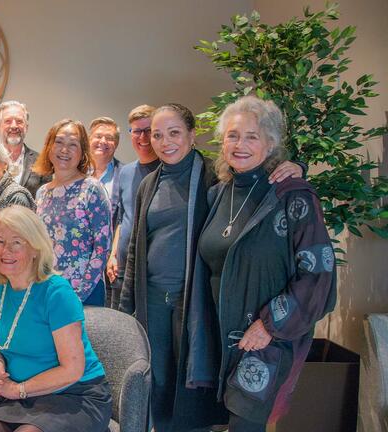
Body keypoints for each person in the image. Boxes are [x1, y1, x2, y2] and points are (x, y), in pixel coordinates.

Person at [118, 103, 303, 431]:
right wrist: (125, 309)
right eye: (157, 135)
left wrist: (295, 166)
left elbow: (257, 178)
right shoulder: (148, 184)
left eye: (174, 133)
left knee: (191, 383)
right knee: (157, 381)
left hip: (193, 300)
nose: (165, 141)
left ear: (192, 135)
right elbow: (134, 250)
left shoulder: (211, 176)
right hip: (153, 301)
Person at [194, 96, 336, 431]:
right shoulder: (219, 193)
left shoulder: (292, 194)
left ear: (270, 144)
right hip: (217, 334)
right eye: (232, 136)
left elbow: (319, 273)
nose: (239, 145)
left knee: (246, 425)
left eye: (251, 136)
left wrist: (269, 325)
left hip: (265, 339)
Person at [0, 205, 112, 432]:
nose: (5, 250)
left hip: (75, 393)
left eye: (16, 242)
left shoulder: (56, 292)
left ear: (35, 249)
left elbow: (73, 369)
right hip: (25, 394)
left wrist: (17, 389)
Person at [32, 119, 111, 306]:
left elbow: (102, 248)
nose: (64, 150)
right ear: (49, 147)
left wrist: (77, 295)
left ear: (83, 152)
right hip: (48, 290)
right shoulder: (42, 192)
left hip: (84, 294)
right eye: (58, 142)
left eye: (73, 144)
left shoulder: (92, 189)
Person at [105, 105, 158, 310]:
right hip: (121, 269)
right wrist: (113, 254)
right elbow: (123, 217)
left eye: (149, 131)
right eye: (137, 131)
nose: (143, 137)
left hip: (150, 272)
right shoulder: (126, 172)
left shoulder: (165, 170)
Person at [0, 101, 51, 197]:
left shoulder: (41, 161)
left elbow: (45, 199)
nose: (14, 126)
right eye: (8, 121)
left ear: (26, 127)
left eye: (19, 121)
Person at [87, 116, 124, 200]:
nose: (103, 141)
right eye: (98, 136)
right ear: (89, 140)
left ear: (116, 143)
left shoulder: (125, 174)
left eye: (109, 138)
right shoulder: (75, 170)